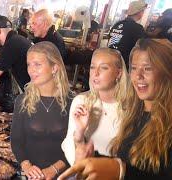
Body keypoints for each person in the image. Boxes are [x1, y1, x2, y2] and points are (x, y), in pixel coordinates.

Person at [58, 39, 172, 180]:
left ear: (167, 72)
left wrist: (120, 171)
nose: (138, 76)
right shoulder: (134, 112)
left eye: (147, 68)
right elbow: (124, 160)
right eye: (134, 68)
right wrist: (89, 155)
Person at [11, 41, 72, 180]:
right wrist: (27, 166)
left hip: (63, 175)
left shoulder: (72, 102)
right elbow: (16, 140)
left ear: (54, 68)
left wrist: (53, 170)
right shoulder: (23, 100)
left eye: (37, 64)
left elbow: (76, 146)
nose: (31, 70)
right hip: (31, 175)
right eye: (29, 64)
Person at [61, 48, 128, 166]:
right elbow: (69, 146)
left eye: (104, 68)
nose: (95, 73)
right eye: (92, 67)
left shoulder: (130, 108)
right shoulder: (81, 101)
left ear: (119, 73)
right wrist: (79, 134)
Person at [108, 0, 147, 69]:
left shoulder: (117, 24)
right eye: (143, 11)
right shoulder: (138, 28)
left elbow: (110, 38)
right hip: (122, 65)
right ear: (139, 12)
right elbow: (143, 48)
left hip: (109, 59)